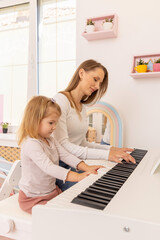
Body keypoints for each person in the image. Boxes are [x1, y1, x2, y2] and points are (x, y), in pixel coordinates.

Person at [53, 59, 135, 188]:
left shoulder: (82, 107)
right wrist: (107, 154)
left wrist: (110, 149)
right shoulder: (61, 101)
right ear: (81, 73)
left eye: (100, 83)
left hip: (75, 163)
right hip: (59, 167)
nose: (97, 86)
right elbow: (64, 146)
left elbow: (81, 143)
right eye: (95, 79)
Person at [17, 96, 104, 214]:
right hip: (33, 198)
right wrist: (78, 177)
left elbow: (65, 155)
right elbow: (49, 167)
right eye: (51, 123)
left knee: (73, 207)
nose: (54, 127)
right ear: (35, 120)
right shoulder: (31, 144)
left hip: (51, 192)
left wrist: (86, 167)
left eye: (55, 123)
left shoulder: (50, 139)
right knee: (62, 215)